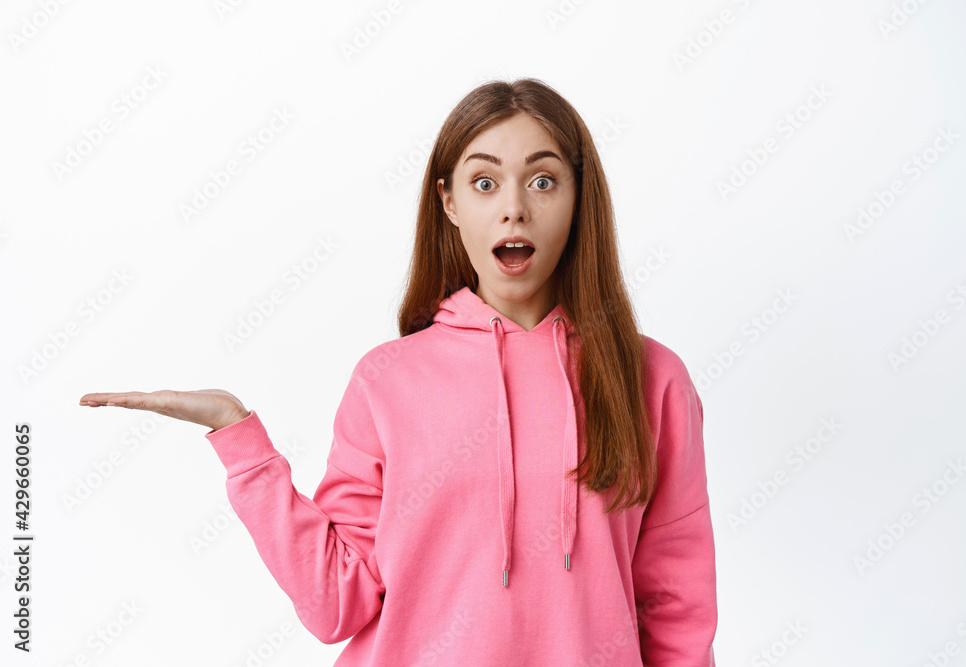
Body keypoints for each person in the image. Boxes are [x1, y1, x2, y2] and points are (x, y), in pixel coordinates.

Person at [80, 78, 718, 666]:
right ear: (448, 203)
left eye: (544, 181)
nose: (514, 209)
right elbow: (338, 604)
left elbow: (677, 609)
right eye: (485, 182)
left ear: (580, 197)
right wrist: (240, 440)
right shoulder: (388, 381)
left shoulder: (650, 378)